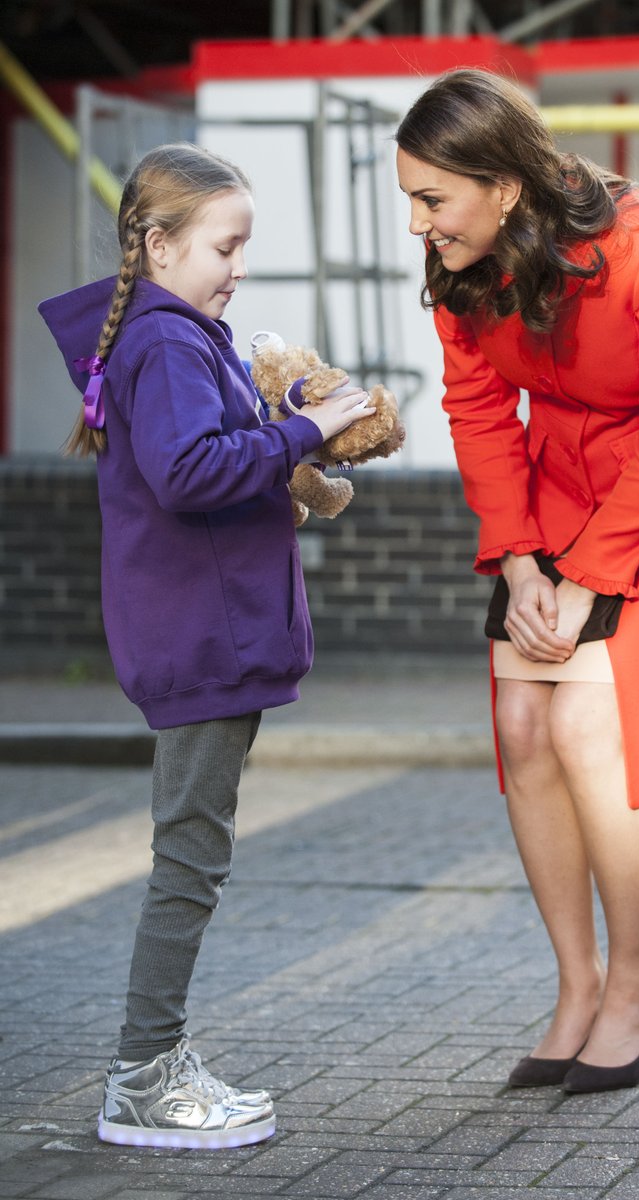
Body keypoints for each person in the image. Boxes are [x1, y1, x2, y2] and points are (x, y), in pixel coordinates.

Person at [396, 70, 639, 1094]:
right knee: (521, 724)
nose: (418, 223)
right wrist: (518, 562)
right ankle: (576, 985)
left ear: (505, 185)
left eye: (432, 198)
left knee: (591, 724)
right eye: (410, 200)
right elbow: (477, 415)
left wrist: (590, 576)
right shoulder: (459, 263)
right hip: (558, 475)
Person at [39, 143, 374, 1148]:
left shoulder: (178, 336)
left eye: (243, 248)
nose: (237, 267)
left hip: (203, 634)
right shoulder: (171, 344)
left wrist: (286, 437)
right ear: (158, 243)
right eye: (224, 246)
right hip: (201, 640)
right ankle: (144, 1075)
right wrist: (310, 433)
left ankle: (154, 1061)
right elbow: (188, 473)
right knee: (190, 859)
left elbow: (202, 461)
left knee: (195, 854)